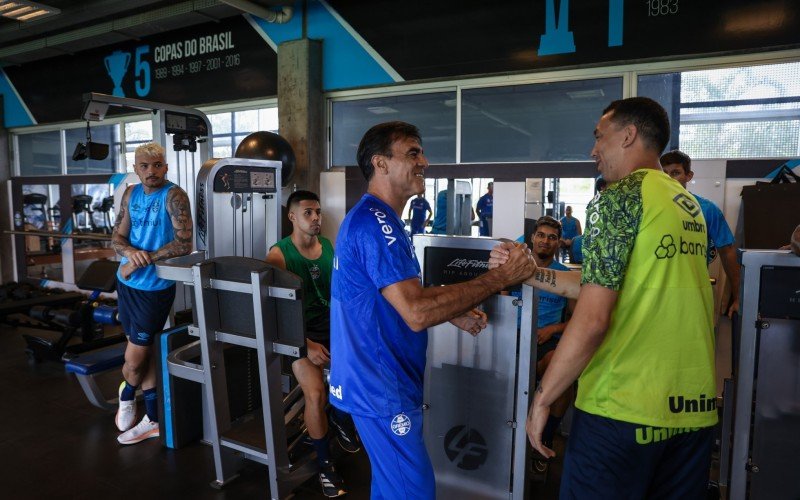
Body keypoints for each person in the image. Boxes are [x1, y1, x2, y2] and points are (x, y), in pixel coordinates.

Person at [493, 98, 717, 499]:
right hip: (691, 408)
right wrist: (529, 273)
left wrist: (543, 398)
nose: (593, 150)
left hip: (624, 406)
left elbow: (594, 318)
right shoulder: (685, 204)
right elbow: (608, 282)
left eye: (599, 137)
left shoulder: (619, 198)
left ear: (628, 135)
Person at [328, 121, 535, 499]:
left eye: (421, 152)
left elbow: (395, 296)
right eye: (412, 153)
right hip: (381, 386)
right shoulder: (375, 223)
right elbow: (416, 312)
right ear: (381, 163)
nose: (424, 161)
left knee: (393, 485)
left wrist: (453, 311)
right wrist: (501, 277)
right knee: (414, 491)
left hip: (381, 380)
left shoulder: (382, 220)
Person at [265, 190, 358, 498]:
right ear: (292, 217)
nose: (316, 217)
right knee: (316, 395)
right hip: (299, 336)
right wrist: (306, 346)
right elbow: (276, 310)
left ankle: (341, 417)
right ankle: (325, 464)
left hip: (335, 331)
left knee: (360, 379)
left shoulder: (329, 246)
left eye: (318, 212)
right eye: (308, 213)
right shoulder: (279, 254)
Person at [112, 142, 193, 445]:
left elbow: (184, 244)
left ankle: (126, 392)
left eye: (157, 164)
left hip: (154, 290)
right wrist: (132, 254)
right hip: (127, 283)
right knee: (141, 354)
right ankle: (153, 419)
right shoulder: (131, 194)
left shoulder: (174, 196)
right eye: (144, 166)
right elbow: (117, 237)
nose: (151, 171)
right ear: (136, 168)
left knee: (133, 361)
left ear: (166, 167)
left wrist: (145, 258)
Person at [661, 149, 740, 316]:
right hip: (656, 294)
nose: (668, 178)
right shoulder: (647, 207)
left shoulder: (706, 209)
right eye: (664, 173)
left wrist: (738, 296)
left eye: (675, 173)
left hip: (693, 295)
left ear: (688, 176)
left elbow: (728, 252)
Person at [528, 216, 576, 471]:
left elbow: (580, 319)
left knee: (560, 374)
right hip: (514, 338)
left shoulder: (566, 276)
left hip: (546, 341)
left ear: (558, 243)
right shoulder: (516, 268)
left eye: (552, 237)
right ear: (533, 238)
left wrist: (552, 329)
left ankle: (546, 436)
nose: (545, 241)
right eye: (542, 235)